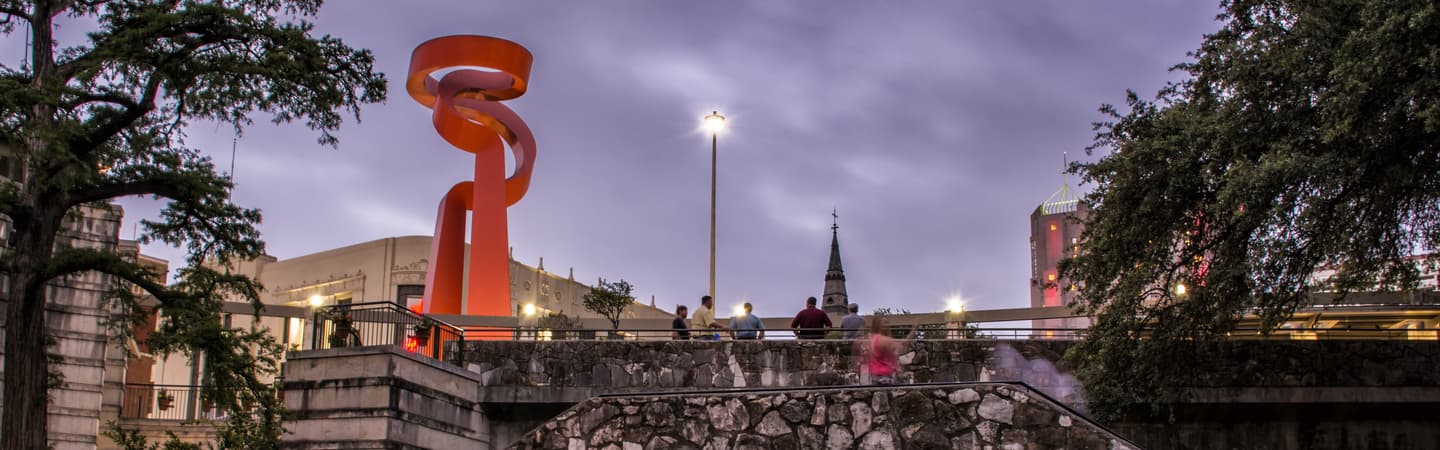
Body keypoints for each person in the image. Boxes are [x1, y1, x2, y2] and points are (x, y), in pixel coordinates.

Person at [862, 315, 901, 384]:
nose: (888, 325)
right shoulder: (882, 340)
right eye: (885, 323)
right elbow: (896, 352)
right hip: (884, 374)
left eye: (887, 322)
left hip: (876, 373)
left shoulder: (872, 338)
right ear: (879, 325)